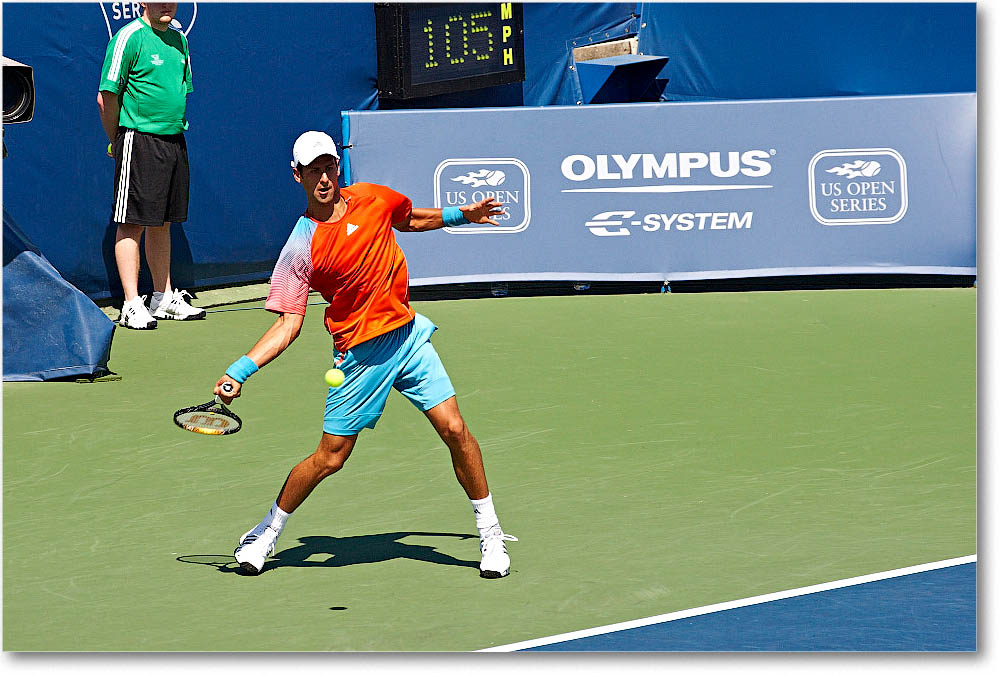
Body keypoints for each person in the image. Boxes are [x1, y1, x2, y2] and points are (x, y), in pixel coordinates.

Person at [215, 131, 517, 579]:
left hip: (408, 338)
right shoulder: (301, 246)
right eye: (313, 170)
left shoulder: (373, 198)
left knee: (455, 429)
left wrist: (462, 215)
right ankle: (266, 531)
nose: (323, 178)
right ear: (297, 176)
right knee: (331, 457)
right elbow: (288, 324)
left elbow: (409, 219)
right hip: (359, 356)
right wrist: (240, 370)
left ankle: (490, 533)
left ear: (338, 167)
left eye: (329, 167)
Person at [97, 2, 205, 329]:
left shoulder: (180, 40)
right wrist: (118, 140)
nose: (166, 3)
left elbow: (179, 91)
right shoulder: (129, 37)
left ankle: (163, 297)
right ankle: (131, 304)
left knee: (163, 222)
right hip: (138, 138)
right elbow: (106, 97)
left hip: (174, 139)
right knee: (132, 222)